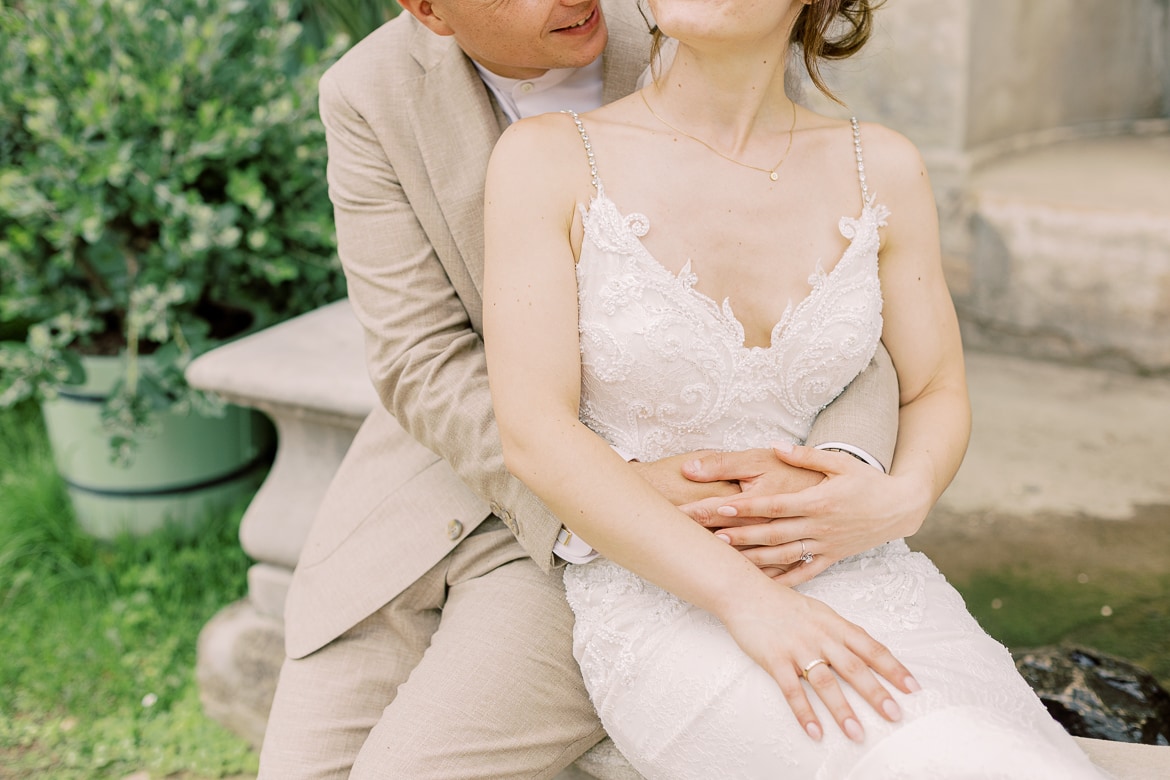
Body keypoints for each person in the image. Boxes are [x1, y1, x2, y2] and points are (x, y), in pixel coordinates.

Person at [259, 2, 924, 777]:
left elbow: (829, 281)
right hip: (438, 488)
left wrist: (845, 474)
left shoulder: (691, 25)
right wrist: (593, 480)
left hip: (651, 518)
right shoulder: (368, 90)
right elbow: (419, 356)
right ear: (429, 11)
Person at [482, 0, 1108, 777]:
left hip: (873, 577)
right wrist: (751, 603)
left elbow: (936, 387)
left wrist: (901, 497)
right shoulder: (546, 160)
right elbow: (535, 435)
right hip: (669, 601)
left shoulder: (880, 166)